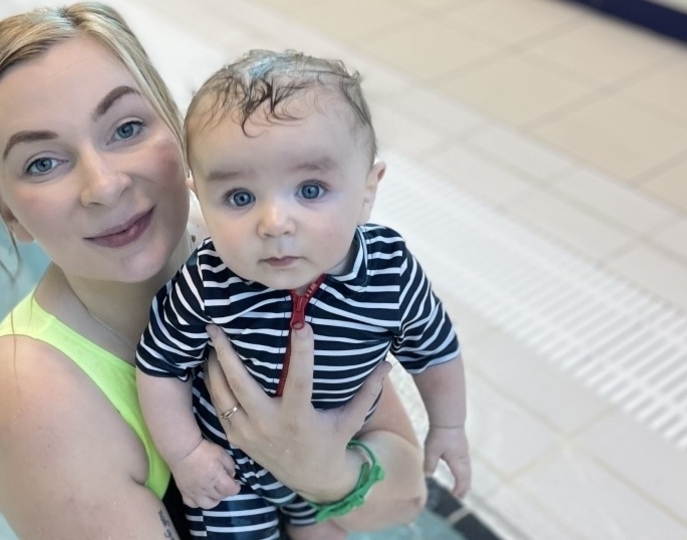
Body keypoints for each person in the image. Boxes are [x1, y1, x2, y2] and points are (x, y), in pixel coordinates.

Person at [0, 3, 430, 539]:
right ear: (10, 212)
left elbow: (407, 496)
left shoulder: (257, 252)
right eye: (43, 162)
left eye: (127, 127)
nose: (104, 185)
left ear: (180, 135)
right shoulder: (36, 399)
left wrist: (321, 471)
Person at [135, 50, 471, 539]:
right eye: (240, 197)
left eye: (311, 190)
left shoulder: (389, 274)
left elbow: (435, 349)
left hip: (336, 454)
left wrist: (448, 426)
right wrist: (187, 453)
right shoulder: (205, 281)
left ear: (366, 192)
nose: (274, 223)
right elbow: (160, 367)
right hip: (233, 475)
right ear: (200, 200)